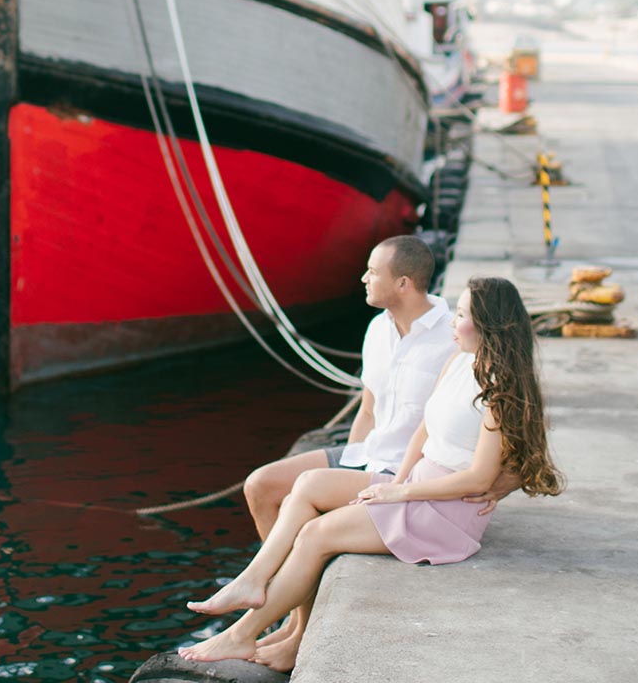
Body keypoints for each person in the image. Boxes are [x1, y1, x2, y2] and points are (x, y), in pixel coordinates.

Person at [179, 276, 564, 673]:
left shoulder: (500, 391)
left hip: (448, 509)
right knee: (308, 484)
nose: (453, 320)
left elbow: (479, 480)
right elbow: (423, 430)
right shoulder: (459, 361)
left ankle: (243, 633)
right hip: (418, 484)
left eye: (463, 314)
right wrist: (397, 482)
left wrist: (401, 496)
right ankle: (254, 578)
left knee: (316, 535)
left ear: (490, 326)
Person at [243, 234, 454, 654]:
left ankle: (297, 631)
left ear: (403, 284)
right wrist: (346, 466)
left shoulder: (450, 338)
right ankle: (293, 613)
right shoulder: (378, 328)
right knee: (261, 485)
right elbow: (368, 410)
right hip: (367, 452)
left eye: (373, 272)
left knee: (303, 502)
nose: (363, 279)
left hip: (402, 470)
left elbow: (447, 427)